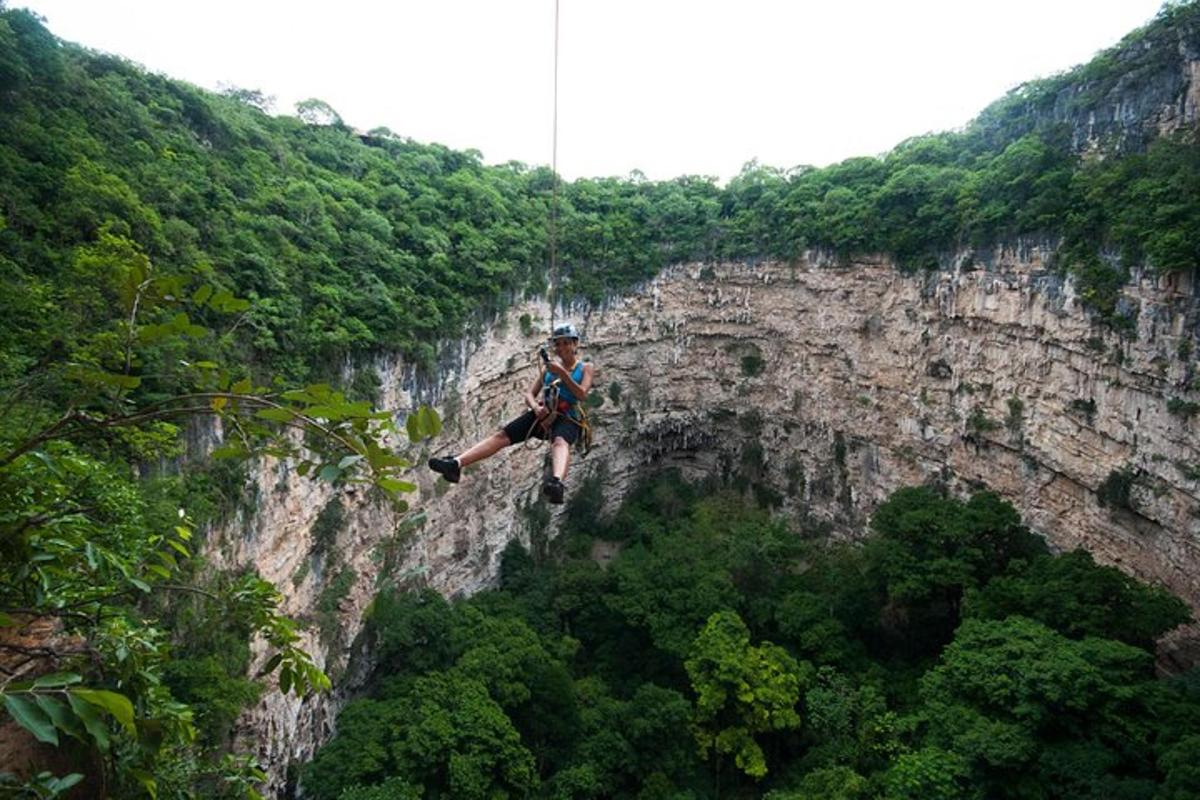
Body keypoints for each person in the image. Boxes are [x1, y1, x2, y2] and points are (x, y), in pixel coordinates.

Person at [428, 322, 595, 504]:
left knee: (560, 442)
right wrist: (535, 408)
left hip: (567, 415)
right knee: (502, 436)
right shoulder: (549, 368)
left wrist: (562, 373)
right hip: (543, 413)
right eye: (558, 344)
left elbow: (581, 394)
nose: (561, 347)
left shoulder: (585, 367)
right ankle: (456, 464)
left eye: (565, 343)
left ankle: (557, 483)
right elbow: (530, 394)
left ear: (575, 344)